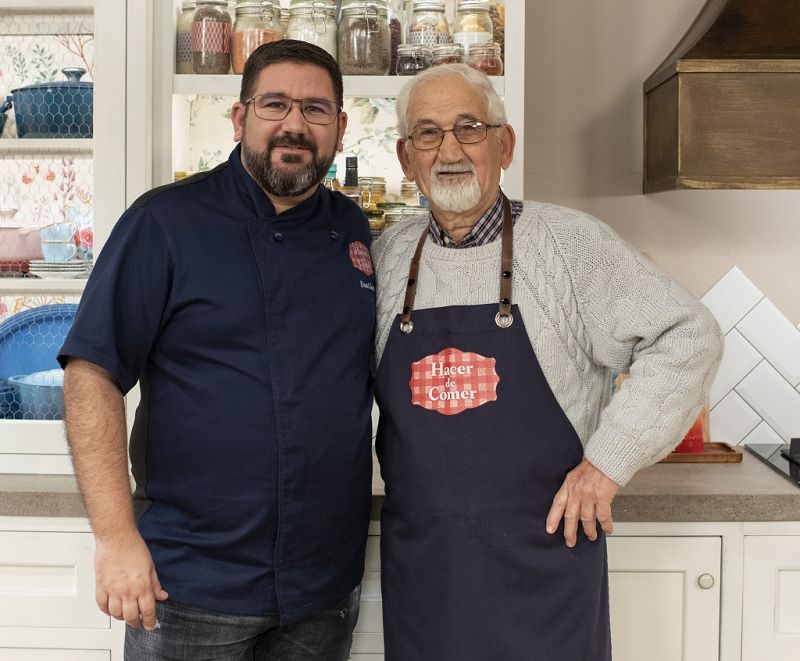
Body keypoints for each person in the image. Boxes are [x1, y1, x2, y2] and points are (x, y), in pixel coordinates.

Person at [371, 63, 723, 661]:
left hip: (546, 570)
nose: (449, 149)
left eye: (469, 127)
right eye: (427, 133)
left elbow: (690, 335)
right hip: (427, 572)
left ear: (504, 144)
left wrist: (606, 464)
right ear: (407, 159)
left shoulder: (570, 246)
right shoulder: (386, 256)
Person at [59, 40, 375, 660]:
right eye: (275, 104)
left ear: (339, 127)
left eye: (315, 110)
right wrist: (115, 537)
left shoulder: (354, 232)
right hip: (189, 585)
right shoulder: (165, 224)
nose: (294, 125)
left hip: (322, 587)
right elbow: (91, 375)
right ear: (240, 118)